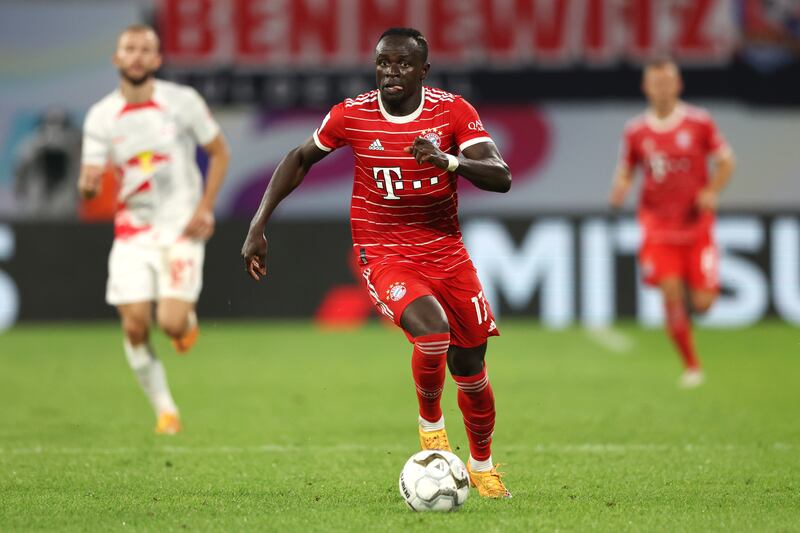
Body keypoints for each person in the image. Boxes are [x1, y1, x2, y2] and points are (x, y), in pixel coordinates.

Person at [242, 27, 512, 498]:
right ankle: (432, 429)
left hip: (445, 249)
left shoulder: (453, 111)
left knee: (470, 367)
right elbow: (300, 157)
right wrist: (258, 224)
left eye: (403, 64)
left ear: (423, 71)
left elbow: (501, 176)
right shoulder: (353, 114)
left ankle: (483, 465)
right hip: (383, 249)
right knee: (432, 333)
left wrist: (447, 162)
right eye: (384, 62)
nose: (391, 71)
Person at [78, 24, 230, 434]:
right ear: (117, 58)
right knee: (133, 325)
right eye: (130, 48)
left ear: (158, 60)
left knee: (172, 324)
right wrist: (88, 183)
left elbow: (218, 152)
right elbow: (89, 174)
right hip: (132, 232)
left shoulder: (181, 102)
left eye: (146, 49)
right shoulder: (101, 116)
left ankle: (186, 324)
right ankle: (166, 411)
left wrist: (206, 206)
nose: (138, 56)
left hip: (181, 227)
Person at [609, 58, 735, 388]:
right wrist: (620, 187)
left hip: (695, 225)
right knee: (670, 290)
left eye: (668, 82)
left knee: (703, 304)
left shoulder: (699, 122)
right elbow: (627, 167)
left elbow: (726, 161)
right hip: (657, 225)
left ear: (678, 86)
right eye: (656, 82)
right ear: (646, 87)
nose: (662, 88)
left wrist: (711, 190)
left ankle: (690, 344)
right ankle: (692, 366)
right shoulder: (636, 130)